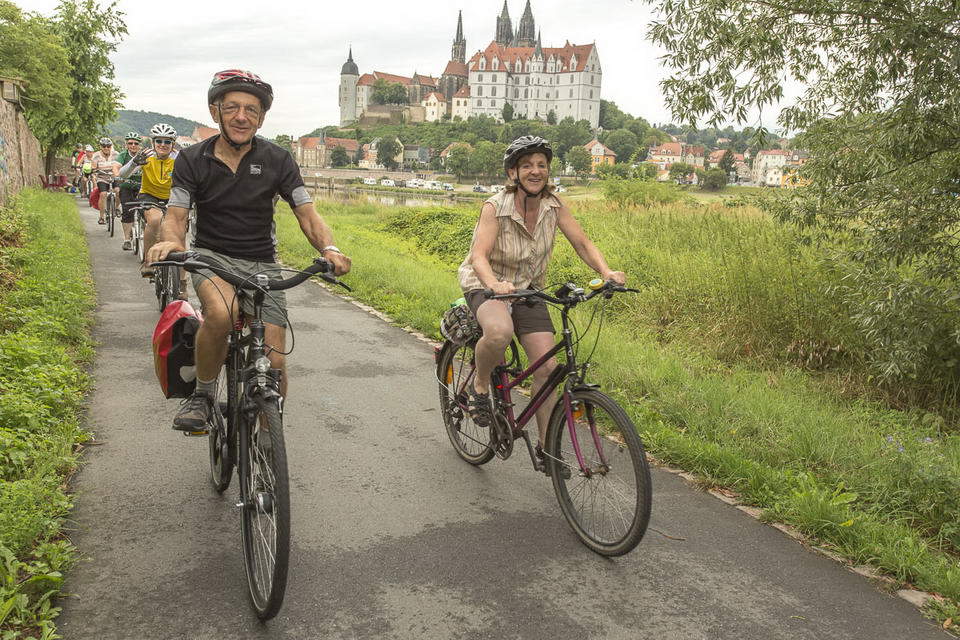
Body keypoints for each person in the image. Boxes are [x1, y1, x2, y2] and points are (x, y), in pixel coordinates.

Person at [146, 69, 351, 431]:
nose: (241, 116)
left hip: (263, 264)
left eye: (251, 110)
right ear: (215, 112)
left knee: (275, 363)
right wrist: (172, 242)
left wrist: (330, 248)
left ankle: (271, 442)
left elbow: (306, 213)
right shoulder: (192, 159)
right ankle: (203, 395)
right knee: (222, 314)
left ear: (261, 118)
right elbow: (176, 215)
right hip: (211, 258)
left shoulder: (279, 159)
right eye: (232, 108)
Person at [457, 135, 626, 451]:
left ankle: (548, 449)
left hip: (528, 288)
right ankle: (479, 385)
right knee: (499, 332)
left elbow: (582, 243)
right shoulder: (495, 206)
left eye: (541, 165)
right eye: (526, 166)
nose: (535, 171)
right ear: (513, 173)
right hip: (486, 284)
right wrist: (494, 284)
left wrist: (606, 272)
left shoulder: (554, 205)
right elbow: (479, 256)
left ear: (548, 170)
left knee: (548, 370)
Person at [119, 124, 178, 275]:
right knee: (155, 220)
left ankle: (180, 280)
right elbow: (123, 174)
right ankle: (148, 262)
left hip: (171, 196)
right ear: (153, 142)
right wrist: (134, 162)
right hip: (149, 195)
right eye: (159, 141)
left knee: (177, 229)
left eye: (167, 142)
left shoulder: (178, 158)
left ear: (173, 144)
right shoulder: (147, 156)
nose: (163, 145)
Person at [115, 132, 143, 251]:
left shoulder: (144, 155)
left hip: (142, 187)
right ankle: (127, 240)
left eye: (136, 143)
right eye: (130, 143)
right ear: (126, 144)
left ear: (139, 145)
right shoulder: (123, 155)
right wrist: (117, 176)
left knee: (146, 211)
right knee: (127, 212)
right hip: (126, 186)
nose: (133, 145)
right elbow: (116, 167)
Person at [90, 137, 120, 223]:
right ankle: (101, 217)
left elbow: (120, 164)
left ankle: (117, 208)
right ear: (100, 147)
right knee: (103, 194)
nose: (106, 148)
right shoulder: (96, 155)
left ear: (111, 146)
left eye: (108, 146)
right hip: (102, 178)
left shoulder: (116, 154)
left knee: (118, 191)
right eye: (104, 146)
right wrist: (93, 170)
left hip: (114, 177)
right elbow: (93, 166)